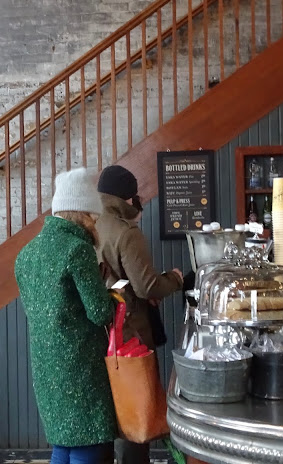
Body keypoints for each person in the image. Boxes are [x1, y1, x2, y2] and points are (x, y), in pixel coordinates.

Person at [14, 168, 118, 464]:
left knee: (63, 443)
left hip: (46, 367)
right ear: (83, 214)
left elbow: (49, 308)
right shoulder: (77, 250)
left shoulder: (26, 254)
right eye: (94, 217)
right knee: (89, 444)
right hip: (81, 367)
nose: (95, 223)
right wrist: (108, 290)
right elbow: (100, 313)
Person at [95, 165, 183, 464]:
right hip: (130, 331)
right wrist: (175, 279)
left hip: (102, 330)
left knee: (112, 407)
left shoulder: (93, 225)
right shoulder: (126, 232)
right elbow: (147, 287)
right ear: (127, 197)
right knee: (134, 410)